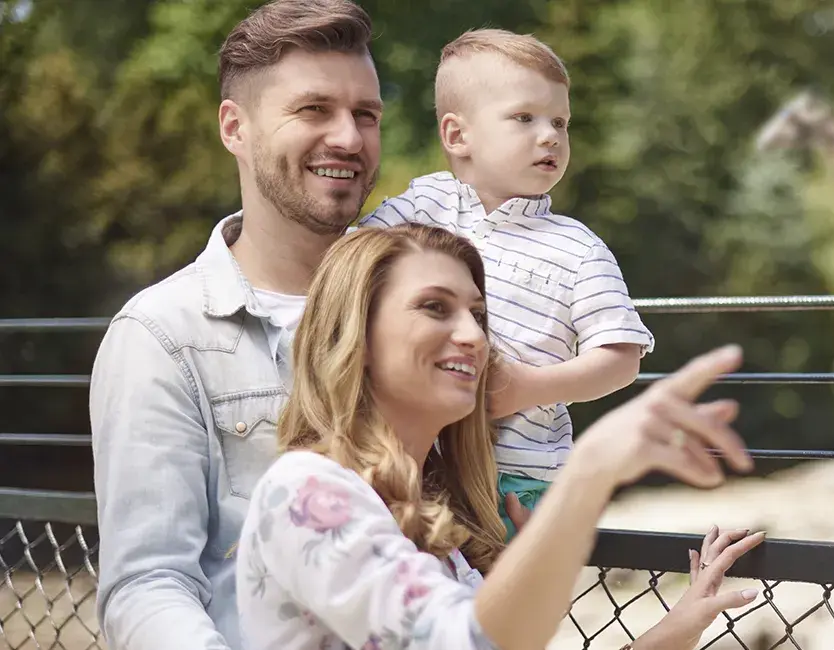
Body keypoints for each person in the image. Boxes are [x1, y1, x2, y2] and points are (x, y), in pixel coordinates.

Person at [236, 223, 764, 650]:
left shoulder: (433, 515)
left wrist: (677, 630)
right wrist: (588, 473)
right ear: (358, 335)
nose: (473, 336)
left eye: (478, 314)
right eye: (435, 307)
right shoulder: (306, 492)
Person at [87, 1, 382, 648]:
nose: (349, 138)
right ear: (235, 127)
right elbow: (147, 586)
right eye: (314, 110)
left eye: (366, 114)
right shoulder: (162, 336)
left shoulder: (421, 313)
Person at [359, 29, 653, 539]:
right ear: (458, 136)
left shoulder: (577, 247)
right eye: (524, 118)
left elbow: (622, 358)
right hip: (412, 459)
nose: (550, 136)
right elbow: (352, 265)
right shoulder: (424, 205)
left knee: (497, 611)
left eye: (561, 122)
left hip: (515, 478)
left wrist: (529, 388)